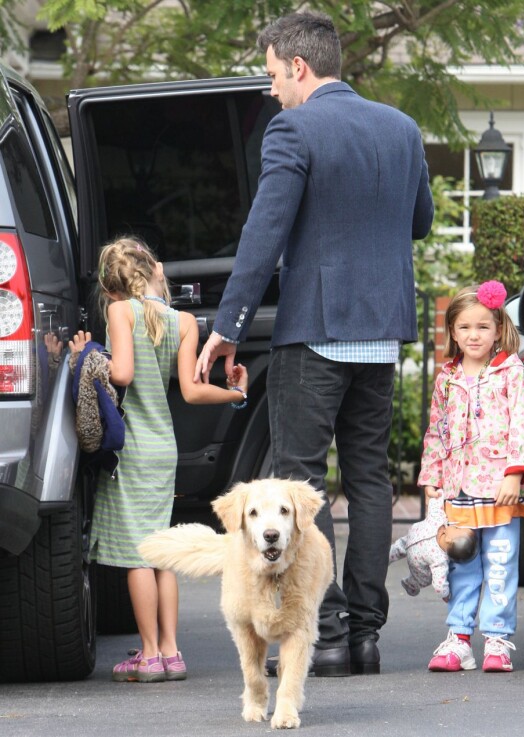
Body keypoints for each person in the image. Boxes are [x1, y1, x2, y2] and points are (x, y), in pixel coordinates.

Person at [195, 12, 434, 676]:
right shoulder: (402, 128)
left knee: (300, 479)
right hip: (382, 333)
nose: (271, 90)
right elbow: (419, 221)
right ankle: (363, 636)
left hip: (316, 333)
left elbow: (263, 233)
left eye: (272, 75)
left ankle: (322, 632)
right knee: (369, 480)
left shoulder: (292, 129)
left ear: (298, 67)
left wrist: (226, 326)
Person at [69, 237, 249, 683]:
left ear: (112, 287)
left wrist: (84, 356)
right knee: (163, 553)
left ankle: (148, 654)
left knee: (138, 555)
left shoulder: (119, 312)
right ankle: (172, 651)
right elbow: (191, 391)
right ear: (155, 271)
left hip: (132, 448)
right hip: (164, 448)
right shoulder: (183, 320)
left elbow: (123, 373)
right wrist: (237, 393)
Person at [418, 280, 524, 673]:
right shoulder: (446, 378)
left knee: (501, 564)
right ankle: (460, 640)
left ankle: (498, 640)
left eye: (483, 327)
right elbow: (436, 430)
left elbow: (523, 424)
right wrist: (432, 475)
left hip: (500, 489)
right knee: (462, 564)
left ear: (499, 328)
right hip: (459, 488)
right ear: (452, 331)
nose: (474, 335)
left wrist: (514, 474)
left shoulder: (511, 372)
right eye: (465, 327)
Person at [389, 496, 478, 601]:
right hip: (411, 538)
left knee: (422, 578)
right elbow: (435, 506)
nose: (457, 525)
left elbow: (440, 584)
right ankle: (385, 558)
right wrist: (439, 495)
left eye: (457, 528)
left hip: (417, 562)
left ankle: (411, 584)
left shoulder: (440, 560)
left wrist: (445, 594)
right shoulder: (440, 520)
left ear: (449, 539)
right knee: (396, 549)